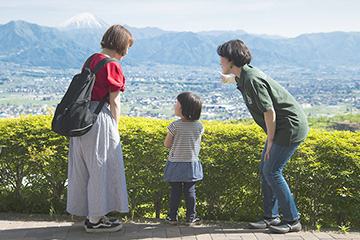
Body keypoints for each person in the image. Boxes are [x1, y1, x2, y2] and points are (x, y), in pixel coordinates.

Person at [217, 40, 309, 234]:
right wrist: (227, 79)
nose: (220, 62)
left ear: (232, 61)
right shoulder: (244, 74)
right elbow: (238, 80)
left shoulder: (252, 79)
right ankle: (271, 217)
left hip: (290, 128)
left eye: (222, 58)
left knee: (272, 171)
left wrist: (270, 141)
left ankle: (293, 220)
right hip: (282, 127)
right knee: (265, 169)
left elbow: (269, 112)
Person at [66, 24, 134, 233]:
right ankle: (95, 220)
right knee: (100, 167)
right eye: (128, 46)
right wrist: (115, 126)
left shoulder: (91, 59)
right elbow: (115, 102)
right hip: (98, 119)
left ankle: (91, 214)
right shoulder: (113, 65)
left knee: (83, 167)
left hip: (81, 120)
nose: (127, 51)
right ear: (121, 45)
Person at [163, 92, 204, 226]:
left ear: (183, 109)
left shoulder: (175, 126)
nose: (175, 105)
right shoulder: (199, 126)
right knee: (190, 191)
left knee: (175, 191)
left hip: (175, 163)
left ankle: (172, 217)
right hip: (191, 163)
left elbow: (167, 144)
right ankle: (191, 218)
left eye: (177, 104)